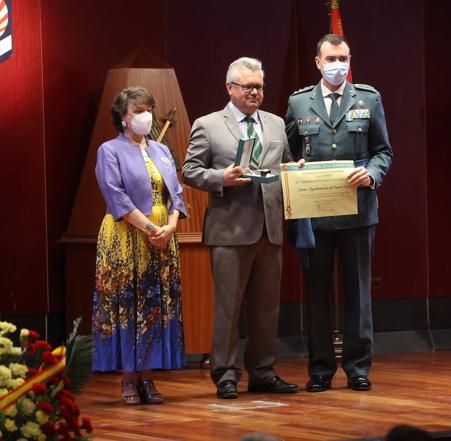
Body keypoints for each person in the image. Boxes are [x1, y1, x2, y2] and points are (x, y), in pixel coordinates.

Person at [182, 57, 298, 399]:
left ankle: (263, 371)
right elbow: (190, 171)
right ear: (230, 88)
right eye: (248, 86)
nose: (255, 93)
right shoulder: (208, 124)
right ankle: (226, 374)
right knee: (228, 307)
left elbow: (286, 164)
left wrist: (297, 169)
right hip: (230, 230)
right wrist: (222, 178)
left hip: (271, 228)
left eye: (260, 86)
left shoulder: (276, 124)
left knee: (266, 307)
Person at [285, 34, 393, 392]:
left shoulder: (368, 98)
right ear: (318, 62)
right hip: (314, 215)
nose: (338, 64)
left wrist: (373, 174)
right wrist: (294, 165)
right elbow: (288, 152)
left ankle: (358, 367)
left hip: (358, 211)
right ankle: (319, 369)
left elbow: (383, 152)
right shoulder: (299, 103)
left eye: (343, 58)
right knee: (316, 293)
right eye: (331, 58)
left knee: (358, 292)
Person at [93, 86, 187, 405]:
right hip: (127, 236)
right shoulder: (109, 150)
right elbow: (115, 195)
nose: (146, 116)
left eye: (149, 109)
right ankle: (128, 378)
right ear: (123, 117)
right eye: (139, 111)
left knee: (155, 305)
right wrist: (150, 228)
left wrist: (171, 227)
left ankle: (148, 373)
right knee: (128, 305)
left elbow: (176, 193)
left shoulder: (162, 150)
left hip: (162, 237)